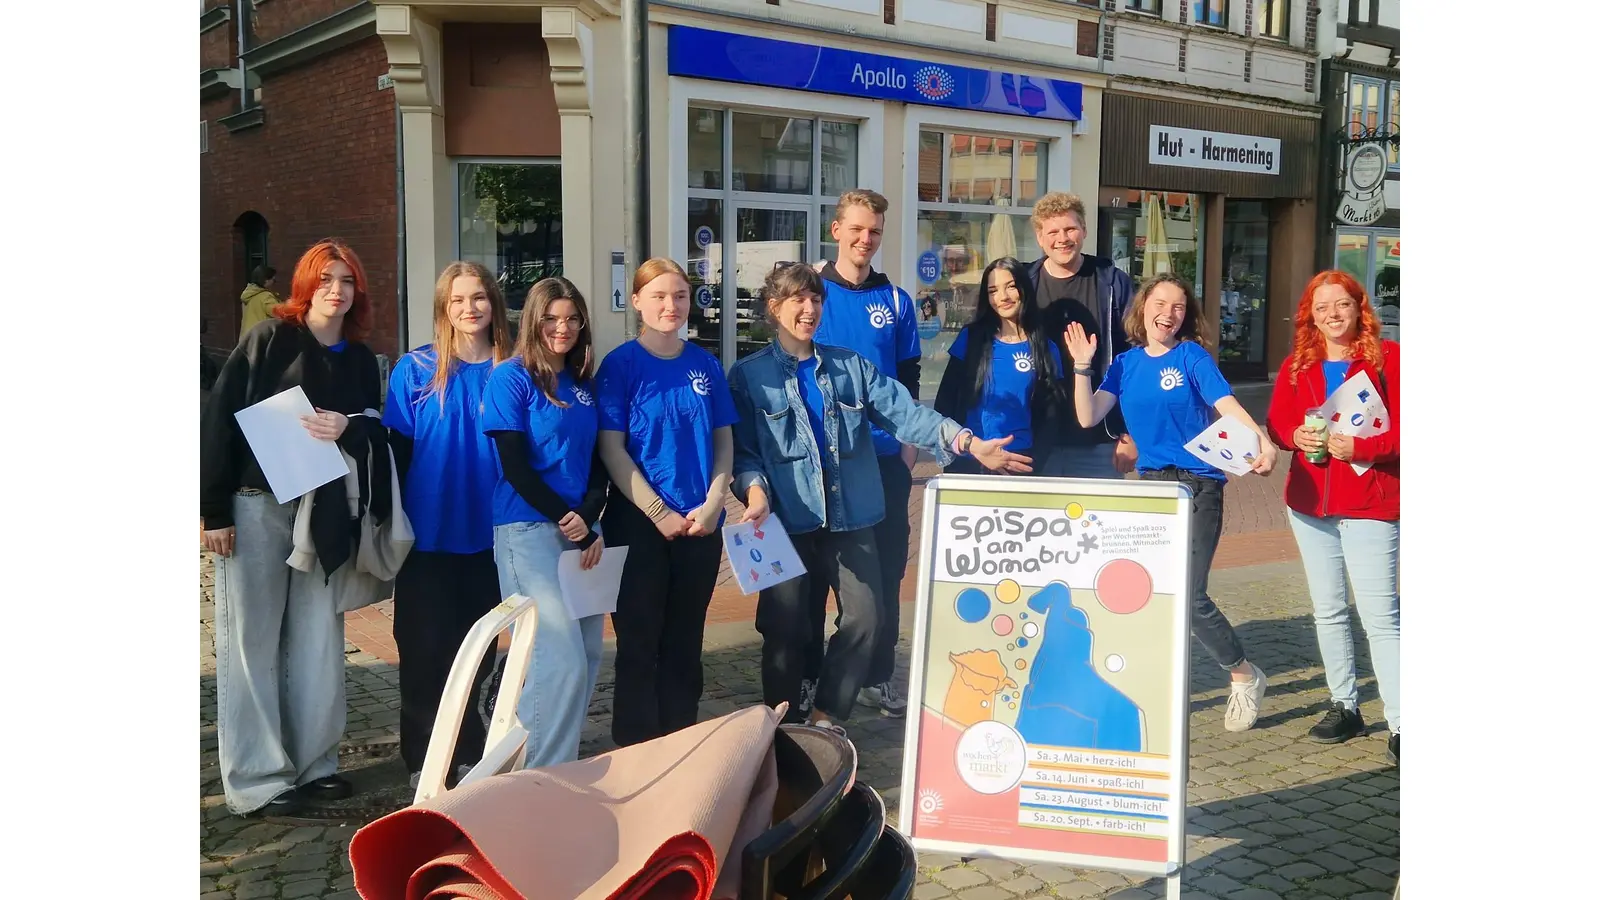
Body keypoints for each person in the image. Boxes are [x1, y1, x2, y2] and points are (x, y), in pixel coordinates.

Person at [730, 263, 1030, 734]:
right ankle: (782, 728)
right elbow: (745, 452)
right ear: (775, 307)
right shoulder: (749, 376)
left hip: (850, 516)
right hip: (785, 521)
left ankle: (826, 718)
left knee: (867, 618)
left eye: (815, 300)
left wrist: (968, 442)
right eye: (797, 300)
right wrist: (754, 491)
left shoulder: (849, 366)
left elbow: (905, 413)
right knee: (785, 629)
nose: (809, 309)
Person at [201, 239, 383, 815]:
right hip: (257, 507)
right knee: (252, 641)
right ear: (305, 285)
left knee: (317, 638)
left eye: (347, 280)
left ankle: (314, 764)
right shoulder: (269, 340)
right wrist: (214, 511)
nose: (337, 290)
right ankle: (258, 779)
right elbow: (220, 418)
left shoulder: (361, 358)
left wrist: (349, 427)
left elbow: (375, 429)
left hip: (325, 510)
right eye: (326, 279)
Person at [1064, 273, 1275, 732]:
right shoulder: (1125, 364)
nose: (1169, 313)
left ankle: (1244, 675)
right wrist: (1082, 366)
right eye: (1160, 303)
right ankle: (1155, 682)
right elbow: (1088, 415)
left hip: (1199, 485)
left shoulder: (1191, 356)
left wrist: (1262, 441)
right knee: (1153, 593)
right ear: (1143, 308)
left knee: (1191, 594)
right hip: (1153, 488)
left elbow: (1226, 404)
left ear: (1186, 315)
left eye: (1178, 306)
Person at [382, 261, 512, 788]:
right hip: (428, 538)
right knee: (423, 653)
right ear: (443, 307)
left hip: (496, 536)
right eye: (458, 299)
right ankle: (423, 759)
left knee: (480, 655)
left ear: (494, 302)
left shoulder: (515, 368)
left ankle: (471, 752)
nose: (469, 308)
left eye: (478, 297)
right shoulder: (415, 370)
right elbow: (396, 454)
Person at [596, 258, 736, 747]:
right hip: (638, 524)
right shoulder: (619, 366)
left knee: (685, 642)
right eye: (658, 296)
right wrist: (658, 513)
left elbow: (723, 441)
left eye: (679, 295)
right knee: (639, 644)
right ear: (637, 301)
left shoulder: (705, 365)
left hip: (700, 524)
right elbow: (611, 449)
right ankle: (636, 748)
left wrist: (715, 502)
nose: (670, 305)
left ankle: (680, 742)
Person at [1266, 270, 1401, 766]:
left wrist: (1362, 448)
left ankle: (1402, 722)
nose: (1332, 314)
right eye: (1321, 307)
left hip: (1369, 503)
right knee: (1328, 611)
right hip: (1309, 505)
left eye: (1341, 304)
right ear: (1311, 316)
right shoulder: (1297, 366)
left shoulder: (1390, 360)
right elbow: (1278, 422)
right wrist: (1292, 437)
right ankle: (1344, 705)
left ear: (1359, 308)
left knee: (1381, 618)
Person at [480, 276, 610, 766]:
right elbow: (514, 467)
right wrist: (567, 518)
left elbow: (597, 462)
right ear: (533, 321)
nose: (562, 328)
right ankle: (537, 775)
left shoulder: (583, 385)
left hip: (584, 536)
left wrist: (589, 518)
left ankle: (561, 762)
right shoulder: (511, 378)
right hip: (528, 531)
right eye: (552, 318)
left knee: (587, 655)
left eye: (572, 319)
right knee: (558, 658)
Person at [811, 188, 922, 719]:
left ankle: (878, 677)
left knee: (888, 569)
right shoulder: (811, 291)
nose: (865, 239)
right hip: (822, 459)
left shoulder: (896, 301)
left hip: (882, 461)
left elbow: (909, 381)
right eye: (856, 228)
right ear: (836, 230)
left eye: (874, 231)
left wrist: (907, 448)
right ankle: (810, 676)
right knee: (816, 574)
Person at [1027, 191, 1140, 478]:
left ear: (1084, 230)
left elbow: (1136, 359)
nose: (1062, 238)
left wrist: (1129, 431)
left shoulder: (1112, 283)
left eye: (1070, 229)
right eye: (1053, 232)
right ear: (1040, 238)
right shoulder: (1024, 285)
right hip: (1035, 438)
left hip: (1101, 439)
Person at [933, 256, 1065, 476]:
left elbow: (1052, 417)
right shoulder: (971, 338)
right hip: (970, 457)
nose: (1002, 297)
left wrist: (1033, 462)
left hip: (1018, 461)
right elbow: (946, 399)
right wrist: (954, 451)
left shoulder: (1045, 348)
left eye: (1010, 287)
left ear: (1024, 289)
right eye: (993, 291)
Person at [239, 265, 281, 340]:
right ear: (266, 280)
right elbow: (279, 313)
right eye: (274, 280)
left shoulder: (248, 295)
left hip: (247, 338)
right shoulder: (266, 297)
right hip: (261, 338)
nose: (274, 283)